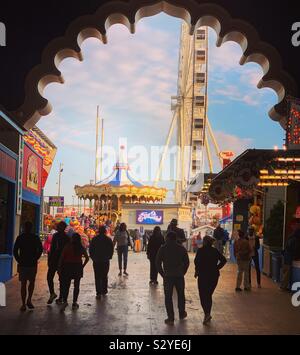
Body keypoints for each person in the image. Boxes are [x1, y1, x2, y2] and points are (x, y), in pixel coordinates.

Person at [156, 231, 190, 325]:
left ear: (168, 238)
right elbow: (187, 262)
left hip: (168, 276)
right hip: (179, 276)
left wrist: (162, 274)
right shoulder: (181, 248)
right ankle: (182, 313)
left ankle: (170, 318)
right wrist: (183, 272)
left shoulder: (163, 248)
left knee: (168, 297)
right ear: (175, 238)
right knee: (181, 295)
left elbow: (157, 262)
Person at [194, 235, 227, 325]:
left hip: (203, 275)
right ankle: (207, 314)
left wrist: (197, 271)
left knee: (203, 295)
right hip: (213, 275)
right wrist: (217, 268)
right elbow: (224, 260)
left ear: (204, 242)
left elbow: (196, 262)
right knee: (208, 295)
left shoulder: (200, 251)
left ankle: (207, 313)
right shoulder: (215, 251)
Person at [13, 222, 43, 311]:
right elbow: (40, 250)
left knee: (23, 284)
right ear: (31, 228)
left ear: (24, 227)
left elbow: (15, 251)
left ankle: (23, 304)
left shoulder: (20, 237)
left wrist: (19, 260)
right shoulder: (35, 238)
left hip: (23, 264)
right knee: (32, 282)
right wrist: (35, 258)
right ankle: (29, 300)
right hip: (32, 264)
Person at [58, 233, 89, 311]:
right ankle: (74, 302)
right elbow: (87, 258)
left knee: (66, 285)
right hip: (77, 267)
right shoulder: (81, 247)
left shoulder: (67, 246)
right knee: (76, 285)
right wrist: (82, 266)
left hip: (67, 267)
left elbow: (61, 257)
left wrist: (59, 267)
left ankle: (65, 301)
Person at [47, 221, 70, 305]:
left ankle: (59, 296)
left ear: (62, 228)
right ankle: (54, 294)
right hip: (56, 260)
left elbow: (54, 249)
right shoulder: (59, 236)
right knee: (51, 277)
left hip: (60, 260)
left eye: (59, 226)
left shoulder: (64, 237)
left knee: (61, 279)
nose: (57, 227)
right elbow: (52, 249)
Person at [89, 226, 114, 299]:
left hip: (96, 260)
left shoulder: (94, 239)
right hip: (105, 260)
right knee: (104, 275)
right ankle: (104, 290)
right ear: (105, 231)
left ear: (99, 231)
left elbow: (91, 249)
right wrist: (109, 256)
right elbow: (111, 249)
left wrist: (93, 257)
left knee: (97, 276)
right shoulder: (108, 239)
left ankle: (98, 292)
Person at [280, 226, 300, 291]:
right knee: (286, 273)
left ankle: (282, 286)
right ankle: (283, 287)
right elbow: (295, 250)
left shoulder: (290, 237)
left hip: (285, 256)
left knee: (284, 272)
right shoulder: (295, 240)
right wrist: (296, 257)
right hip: (289, 258)